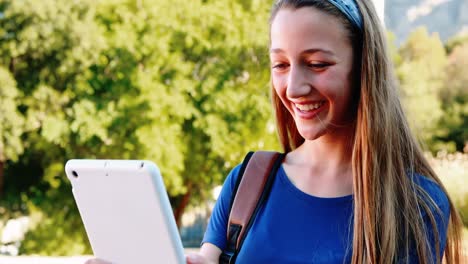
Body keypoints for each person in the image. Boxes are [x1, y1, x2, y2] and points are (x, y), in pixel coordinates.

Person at [87, 0, 463, 263]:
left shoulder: (416, 204)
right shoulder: (248, 181)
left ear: (364, 67)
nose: (294, 87)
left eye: (316, 64)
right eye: (280, 64)